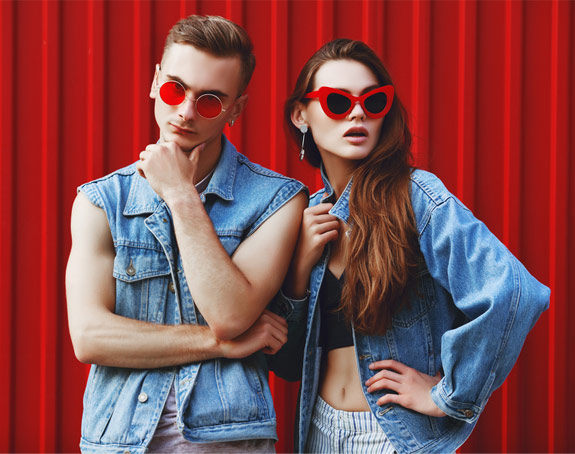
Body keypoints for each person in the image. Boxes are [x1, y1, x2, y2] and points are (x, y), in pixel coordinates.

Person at [270, 39, 550, 453]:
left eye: (373, 101)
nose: (358, 112)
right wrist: (296, 276)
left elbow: (514, 293)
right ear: (301, 115)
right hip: (319, 431)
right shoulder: (306, 215)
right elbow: (288, 364)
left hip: (390, 437)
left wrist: (447, 394)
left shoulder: (416, 197)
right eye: (336, 102)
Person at [65, 15, 306, 453]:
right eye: (176, 89)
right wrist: (219, 344)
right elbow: (90, 337)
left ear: (236, 109)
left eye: (210, 101)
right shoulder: (101, 201)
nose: (186, 112)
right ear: (156, 82)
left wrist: (180, 195)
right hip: (119, 439)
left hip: (228, 439)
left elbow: (230, 314)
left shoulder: (278, 200)